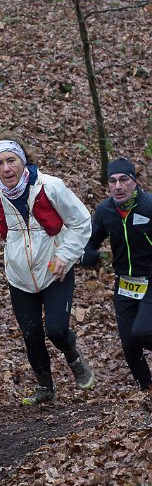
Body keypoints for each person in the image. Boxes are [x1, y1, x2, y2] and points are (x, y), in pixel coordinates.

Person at [0, 135, 95, 404]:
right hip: (19, 276)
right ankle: (45, 388)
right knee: (31, 334)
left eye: (11, 160)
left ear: (23, 160)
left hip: (55, 269)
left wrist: (65, 255)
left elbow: (81, 222)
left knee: (56, 330)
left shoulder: (50, 186)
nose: (6, 168)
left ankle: (74, 357)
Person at [82, 157, 152, 391]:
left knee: (143, 332)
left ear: (134, 182)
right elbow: (92, 240)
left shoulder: (149, 206)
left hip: (150, 279)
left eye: (124, 180)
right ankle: (147, 389)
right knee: (129, 342)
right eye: (112, 181)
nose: (118, 186)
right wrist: (89, 254)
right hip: (124, 283)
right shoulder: (105, 210)